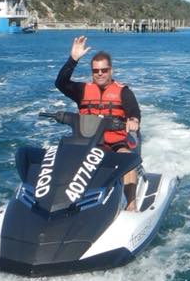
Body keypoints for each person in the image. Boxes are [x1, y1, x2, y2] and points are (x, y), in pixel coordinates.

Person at [55, 35, 142, 211]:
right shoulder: (82, 90)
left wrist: (133, 120)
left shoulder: (123, 92)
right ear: (92, 72)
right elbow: (60, 83)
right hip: (88, 143)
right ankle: (58, 201)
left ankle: (131, 204)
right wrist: (73, 59)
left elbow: (134, 110)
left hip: (115, 143)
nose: (100, 74)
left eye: (104, 70)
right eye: (96, 71)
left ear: (111, 70)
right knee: (62, 159)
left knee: (126, 156)